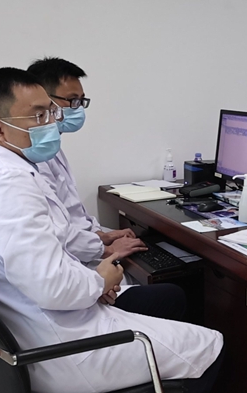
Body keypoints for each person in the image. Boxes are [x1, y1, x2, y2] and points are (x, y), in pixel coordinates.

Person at [0, 67, 223, 393]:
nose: (52, 122)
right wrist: (99, 280)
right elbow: (51, 286)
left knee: (166, 300)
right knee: (212, 345)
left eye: (51, 112)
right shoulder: (5, 183)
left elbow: (54, 244)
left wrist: (93, 280)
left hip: (34, 328)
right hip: (54, 350)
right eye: (39, 116)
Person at [27, 57, 185, 322]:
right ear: (45, 101)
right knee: (171, 293)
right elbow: (58, 234)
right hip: (74, 283)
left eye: (82, 101)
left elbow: (72, 215)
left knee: (152, 265)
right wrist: (105, 249)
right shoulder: (33, 162)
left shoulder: (52, 149)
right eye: (72, 101)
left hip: (82, 267)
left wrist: (103, 236)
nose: (78, 109)